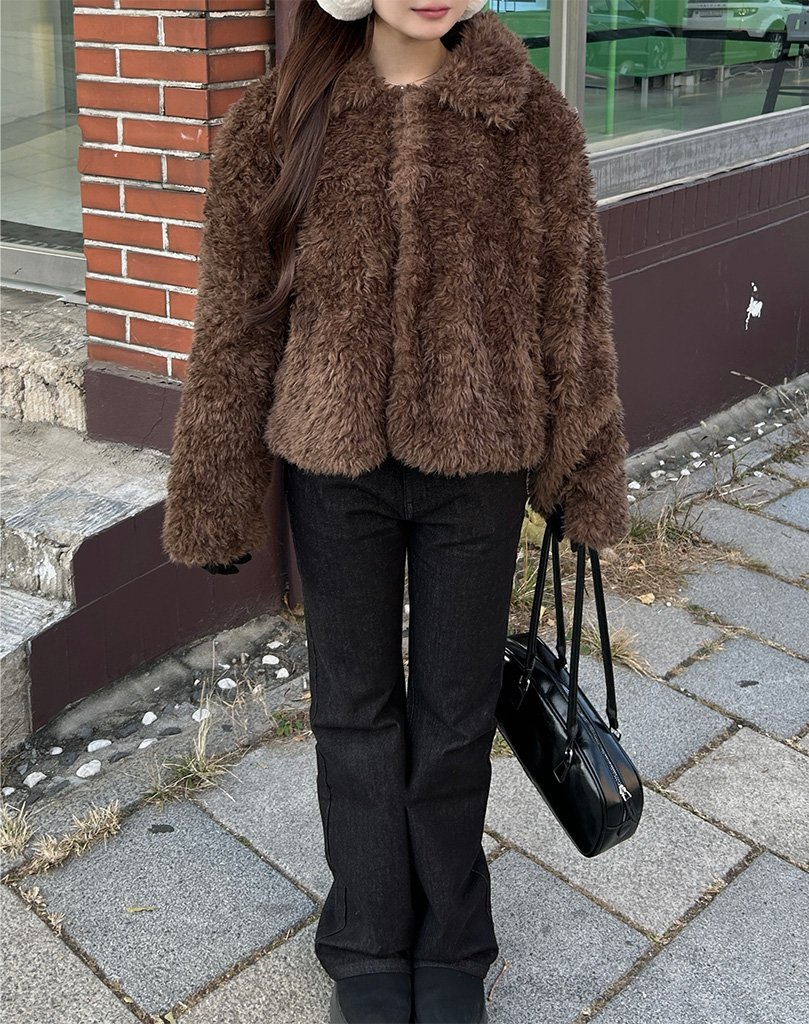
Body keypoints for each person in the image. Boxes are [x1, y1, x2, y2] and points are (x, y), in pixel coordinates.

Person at [161, 1, 630, 1021]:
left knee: (456, 713)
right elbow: (234, 318)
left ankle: (452, 937)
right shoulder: (279, 117)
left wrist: (582, 473)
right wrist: (215, 487)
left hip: (481, 463)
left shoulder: (532, 117)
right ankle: (367, 933)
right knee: (354, 708)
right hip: (334, 470)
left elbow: (573, 305)